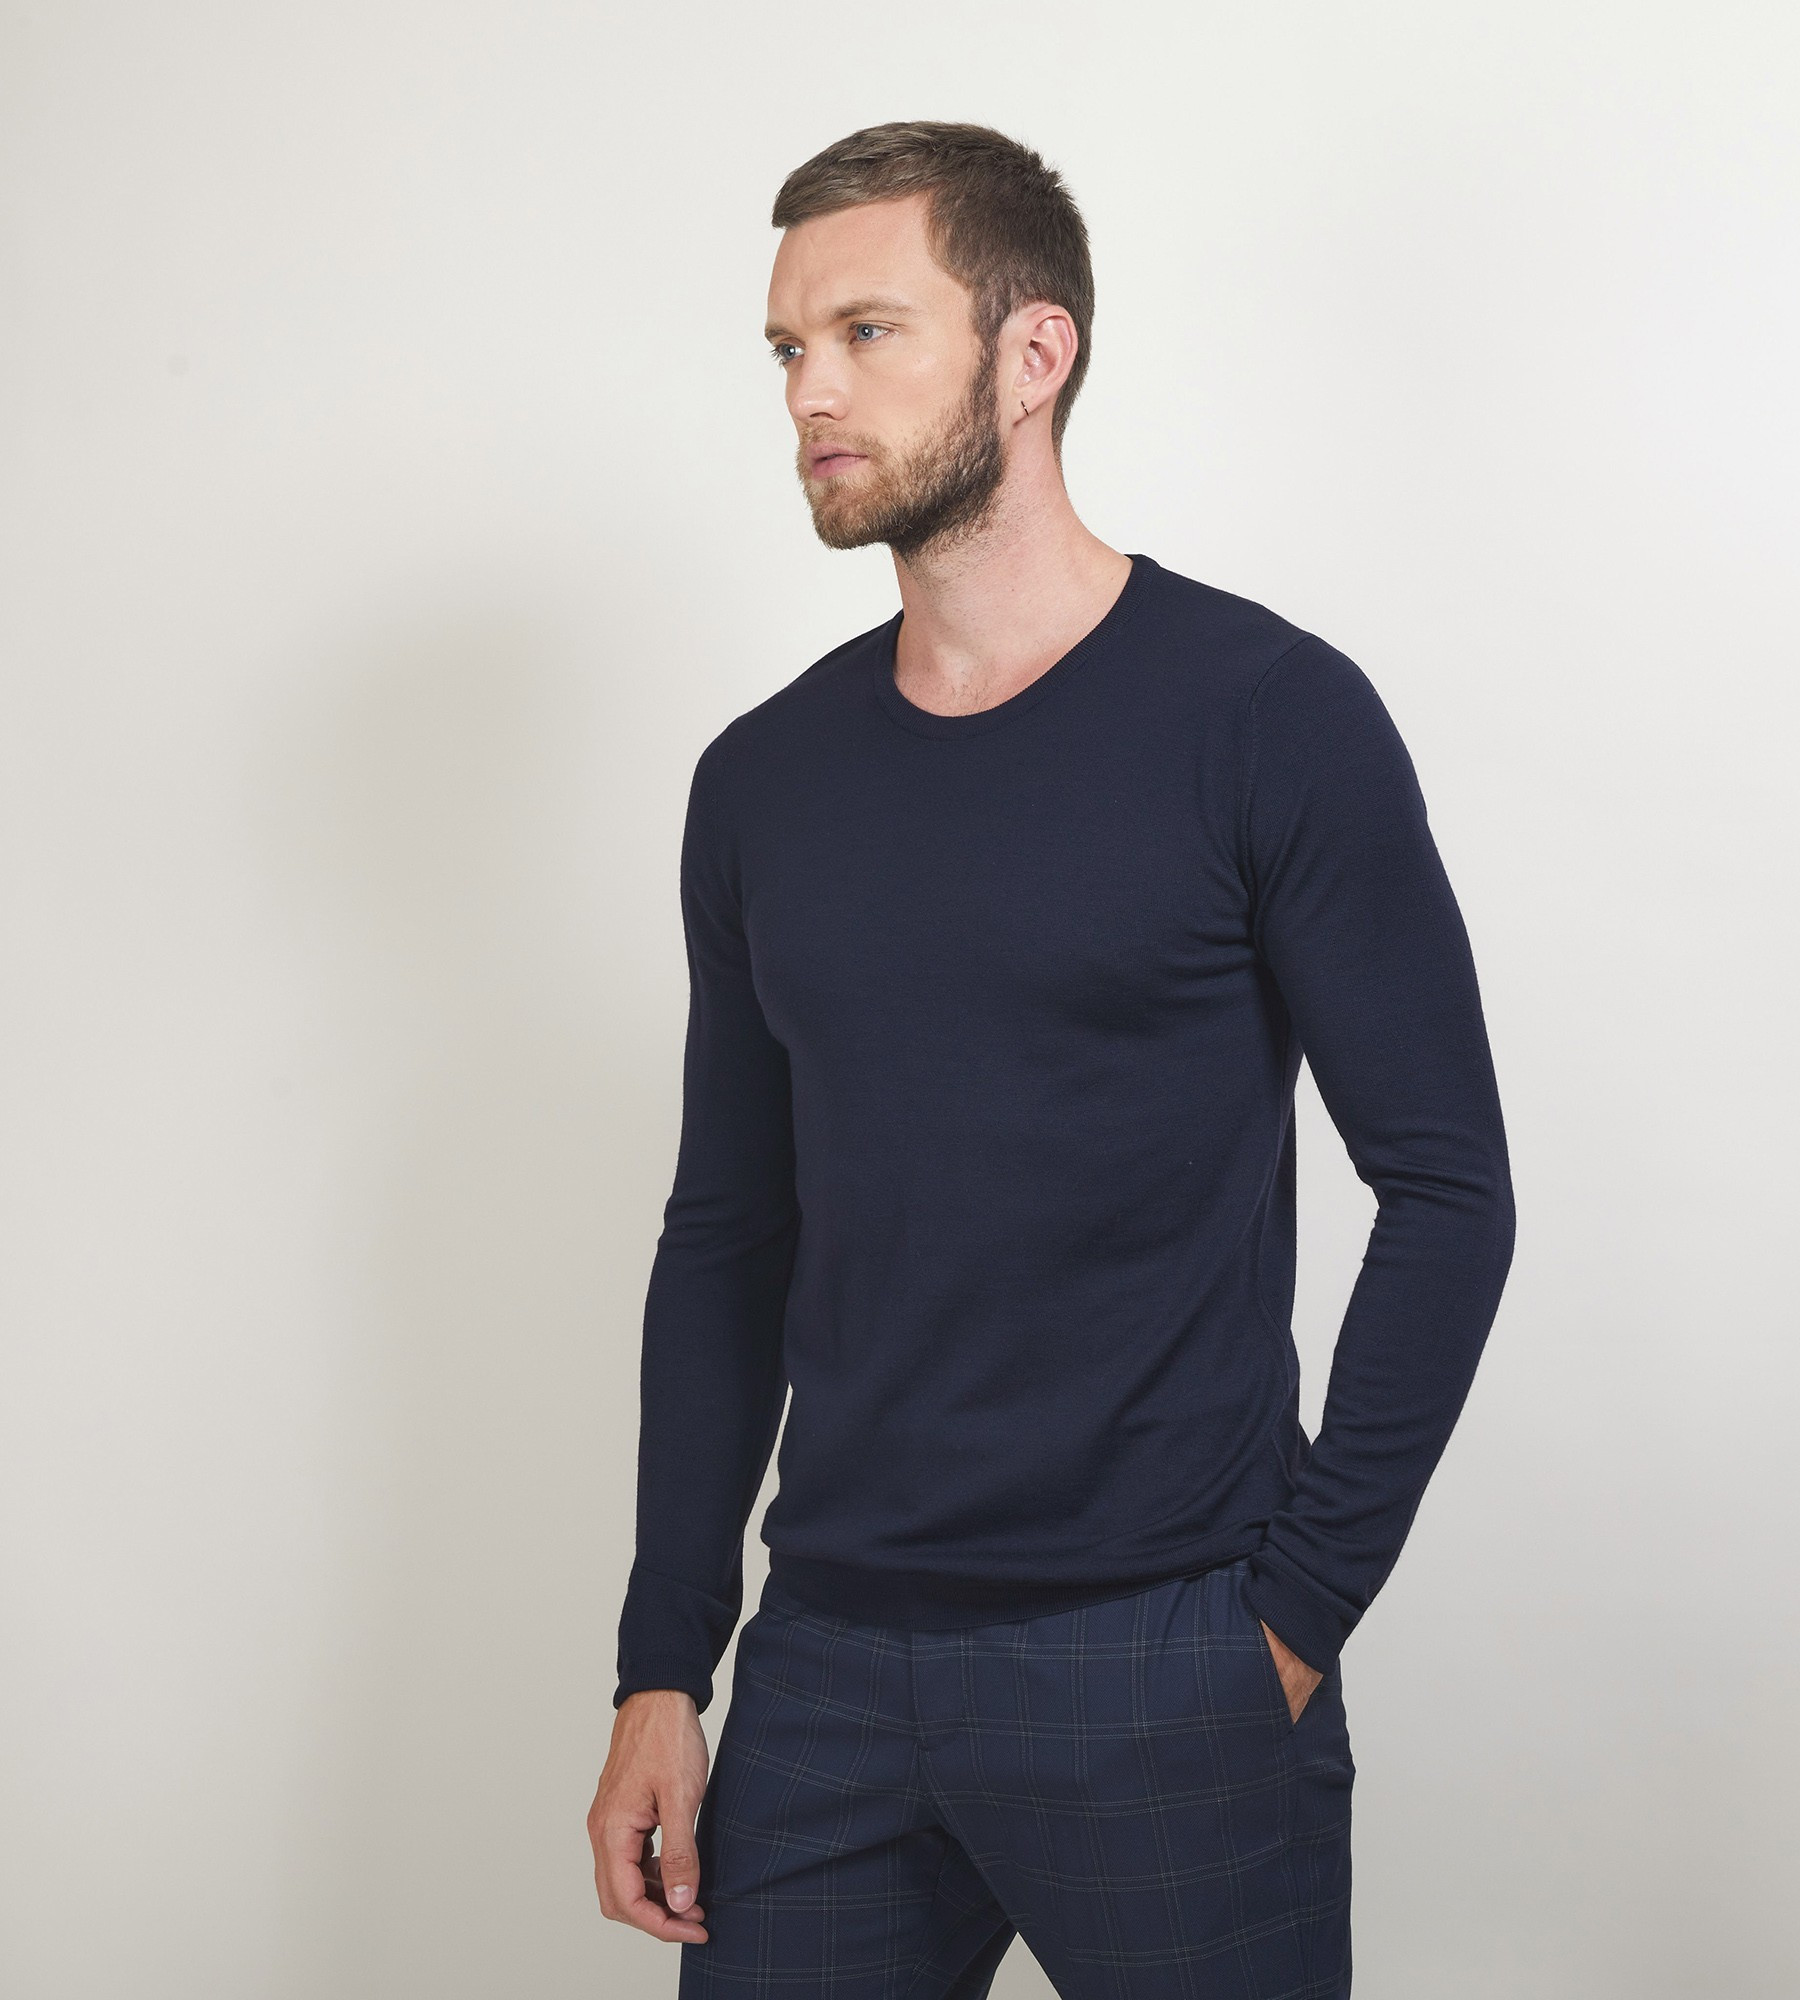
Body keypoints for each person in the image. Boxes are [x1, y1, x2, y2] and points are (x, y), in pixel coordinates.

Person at [586, 120, 1515, 1998]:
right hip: (828, 1670)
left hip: (1166, 1656)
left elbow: (1447, 1186)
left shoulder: (1268, 718)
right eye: (789, 348)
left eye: (868, 333)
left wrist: (1295, 1616)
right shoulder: (761, 784)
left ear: (1034, 353)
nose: (812, 393)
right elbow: (728, 1237)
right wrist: (664, 1665)